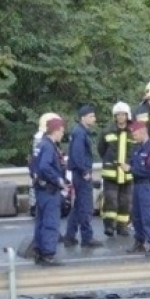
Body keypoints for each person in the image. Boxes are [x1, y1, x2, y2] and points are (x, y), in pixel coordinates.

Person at [63, 105, 103, 248]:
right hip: (82, 174)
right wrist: (85, 171)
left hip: (78, 173)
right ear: (83, 118)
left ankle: (70, 236)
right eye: (91, 116)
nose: (94, 118)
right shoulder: (80, 133)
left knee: (78, 206)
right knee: (85, 206)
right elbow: (77, 154)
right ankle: (87, 237)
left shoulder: (79, 132)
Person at [32, 117, 68, 266]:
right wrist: (58, 180)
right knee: (51, 222)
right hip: (49, 190)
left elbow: (34, 166)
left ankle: (39, 251)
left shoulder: (41, 145)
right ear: (56, 130)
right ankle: (48, 254)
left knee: (40, 222)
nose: (62, 135)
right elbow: (45, 167)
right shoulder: (48, 146)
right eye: (62, 131)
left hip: (41, 189)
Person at [121, 120, 150, 255]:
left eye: (135, 133)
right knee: (137, 216)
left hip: (147, 185)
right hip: (137, 185)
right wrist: (128, 168)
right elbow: (133, 163)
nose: (133, 136)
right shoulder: (137, 147)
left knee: (149, 215)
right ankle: (139, 242)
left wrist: (131, 169)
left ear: (143, 131)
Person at [97, 102, 133, 237]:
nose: (121, 117)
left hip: (127, 173)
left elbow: (136, 151)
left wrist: (131, 165)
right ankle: (109, 226)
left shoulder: (132, 132)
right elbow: (101, 149)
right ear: (115, 116)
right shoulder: (107, 131)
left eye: (123, 114)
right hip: (110, 173)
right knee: (111, 200)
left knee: (125, 202)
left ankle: (122, 226)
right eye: (118, 115)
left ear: (127, 116)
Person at [28, 112, 61, 217]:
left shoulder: (39, 138)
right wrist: (56, 179)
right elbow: (44, 165)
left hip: (38, 178)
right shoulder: (45, 141)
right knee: (49, 218)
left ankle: (34, 205)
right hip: (45, 183)